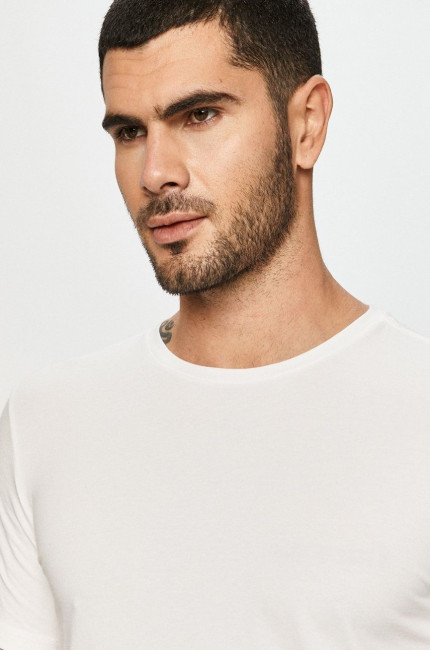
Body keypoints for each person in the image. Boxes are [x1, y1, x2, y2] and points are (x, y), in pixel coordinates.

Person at [0, 0, 429, 648]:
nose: (155, 174)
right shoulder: (44, 424)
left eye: (198, 115)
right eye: (129, 132)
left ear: (307, 124)